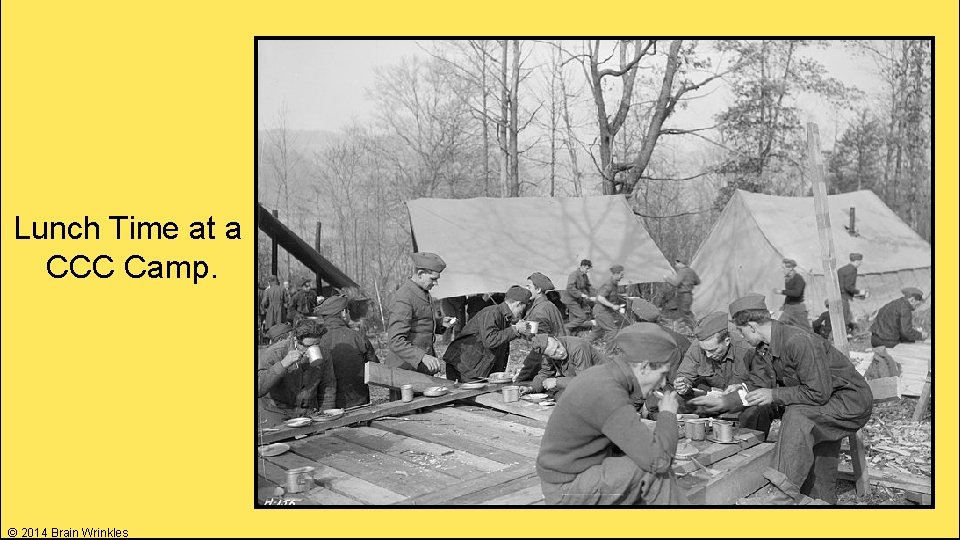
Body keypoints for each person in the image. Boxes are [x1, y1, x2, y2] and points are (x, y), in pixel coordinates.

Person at [729, 294, 873, 504]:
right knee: (792, 418)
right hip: (825, 402)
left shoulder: (798, 341)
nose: (741, 337)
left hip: (850, 402)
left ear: (751, 326)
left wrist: (774, 395)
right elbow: (762, 383)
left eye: (741, 331)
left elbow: (818, 393)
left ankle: (781, 494)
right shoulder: (764, 348)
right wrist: (742, 388)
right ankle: (819, 500)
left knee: (798, 415)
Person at [535, 323, 686, 505]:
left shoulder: (604, 375)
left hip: (576, 473)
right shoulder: (607, 392)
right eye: (662, 374)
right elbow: (659, 461)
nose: (663, 383)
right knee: (657, 472)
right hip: (567, 490)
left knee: (646, 464)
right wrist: (667, 415)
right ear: (645, 367)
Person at [675, 311, 779, 437]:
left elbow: (766, 384)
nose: (708, 355)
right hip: (714, 399)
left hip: (743, 401)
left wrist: (741, 388)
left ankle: (750, 443)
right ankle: (691, 437)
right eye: (705, 351)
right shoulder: (699, 347)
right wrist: (683, 383)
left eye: (713, 350)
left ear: (727, 341)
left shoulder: (748, 349)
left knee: (759, 407)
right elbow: (684, 374)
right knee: (678, 398)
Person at [385, 252, 455, 378]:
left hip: (421, 367)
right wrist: (422, 356)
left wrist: (440, 323)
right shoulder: (404, 297)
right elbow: (395, 341)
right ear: (420, 274)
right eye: (433, 279)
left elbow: (419, 322)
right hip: (405, 369)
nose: (436, 283)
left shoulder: (423, 292)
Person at [443, 286, 533, 382]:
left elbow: (503, 336)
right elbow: (490, 340)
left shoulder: (505, 316)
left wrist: (524, 331)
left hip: (474, 369)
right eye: (524, 307)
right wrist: (515, 330)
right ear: (518, 304)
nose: (523, 312)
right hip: (463, 368)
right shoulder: (491, 312)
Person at [257, 318, 336, 426]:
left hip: (307, 415)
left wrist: (326, 416)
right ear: (295, 340)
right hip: (277, 414)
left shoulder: (324, 354)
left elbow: (328, 386)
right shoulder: (275, 352)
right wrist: (283, 364)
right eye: (307, 346)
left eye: (316, 344)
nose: (311, 350)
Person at [628, 298, 693, 418]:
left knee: (658, 417)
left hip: (684, 395)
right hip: (662, 390)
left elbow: (678, 387)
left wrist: (649, 404)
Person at [316, 295, 380, 409]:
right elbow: (375, 367)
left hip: (326, 408)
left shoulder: (316, 339)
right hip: (358, 403)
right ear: (343, 313)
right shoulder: (357, 336)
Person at [515, 272, 569, 383]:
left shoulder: (540, 310)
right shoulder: (548, 305)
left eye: (528, 286)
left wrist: (523, 374)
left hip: (550, 357)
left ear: (538, 290)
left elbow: (540, 342)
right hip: (557, 352)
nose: (526, 289)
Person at [528, 333, 607, 395]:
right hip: (581, 381)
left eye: (558, 346)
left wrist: (556, 382)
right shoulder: (548, 353)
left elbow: (584, 381)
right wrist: (531, 388)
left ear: (556, 338)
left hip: (603, 382)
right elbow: (545, 372)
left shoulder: (578, 347)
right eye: (554, 353)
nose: (561, 352)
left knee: (562, 396)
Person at [591, 264, 628, 346]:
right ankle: (609, 353)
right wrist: (612, 306)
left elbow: (611, 296)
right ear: (616, 274)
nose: (623, 276)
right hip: (601, 311)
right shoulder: (609, 284)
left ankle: (583, 344)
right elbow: (600, 298)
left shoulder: (614, 284)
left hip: (602, 311)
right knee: (612, 330)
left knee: (597, 332)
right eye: (622, 274)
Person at [775, 258, 811, 332]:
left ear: (790, 268)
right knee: (779, 327)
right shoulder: (788, 279)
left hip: (798, 308)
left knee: (806, 330)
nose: (782, 270)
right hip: (789, 308)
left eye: (783, 268)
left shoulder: (799, 278)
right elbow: (789, 295)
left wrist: (781, 291)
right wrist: (784, 305)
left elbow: (796, 293)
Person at [560, 259, 595, 332]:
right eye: (587, 268)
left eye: (589, 269)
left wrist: (594, 296)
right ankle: (565, 328)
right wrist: (581, 294)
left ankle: (571, 332)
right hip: (570, 300)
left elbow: (588, 286)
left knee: (573, 320)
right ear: (582, 266)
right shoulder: (574, 275)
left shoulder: (584, 276)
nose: (588, 270)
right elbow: (570, 287)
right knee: (582, 317)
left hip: (577, 300)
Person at [664, 259, 700, 330]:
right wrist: (689, 283)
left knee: (684, 315)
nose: (676, 265)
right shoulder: (691, 271)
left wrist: (667, 278)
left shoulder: (682, 271)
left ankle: (696, 330)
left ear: (681, 263)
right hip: (689, 295)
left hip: (683, 295)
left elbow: (675, 283)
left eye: (677, 264)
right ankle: (695, 327)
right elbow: (697, 282)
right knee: (687, 313)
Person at [837, 253, 865, 335]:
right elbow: (848, 287)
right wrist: (859, 292)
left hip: (837, 295)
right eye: (860, 261)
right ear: (857, 261)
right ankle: (845, 336)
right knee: (845, 315)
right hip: (844, 296)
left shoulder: (842, 269)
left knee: (841, 315)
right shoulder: (852, 270)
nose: (861, 263)